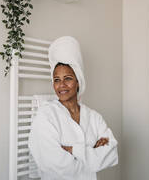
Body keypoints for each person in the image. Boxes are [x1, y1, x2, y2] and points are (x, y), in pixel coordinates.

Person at [28, 36, 118, 180]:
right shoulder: (46, 115)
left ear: (78, 81)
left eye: (68, 78)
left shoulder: (93, 117)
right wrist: (92, 153)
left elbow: (112, 153)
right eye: (56, 80)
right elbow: (54, 166)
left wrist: (73, 150)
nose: (61, 85)